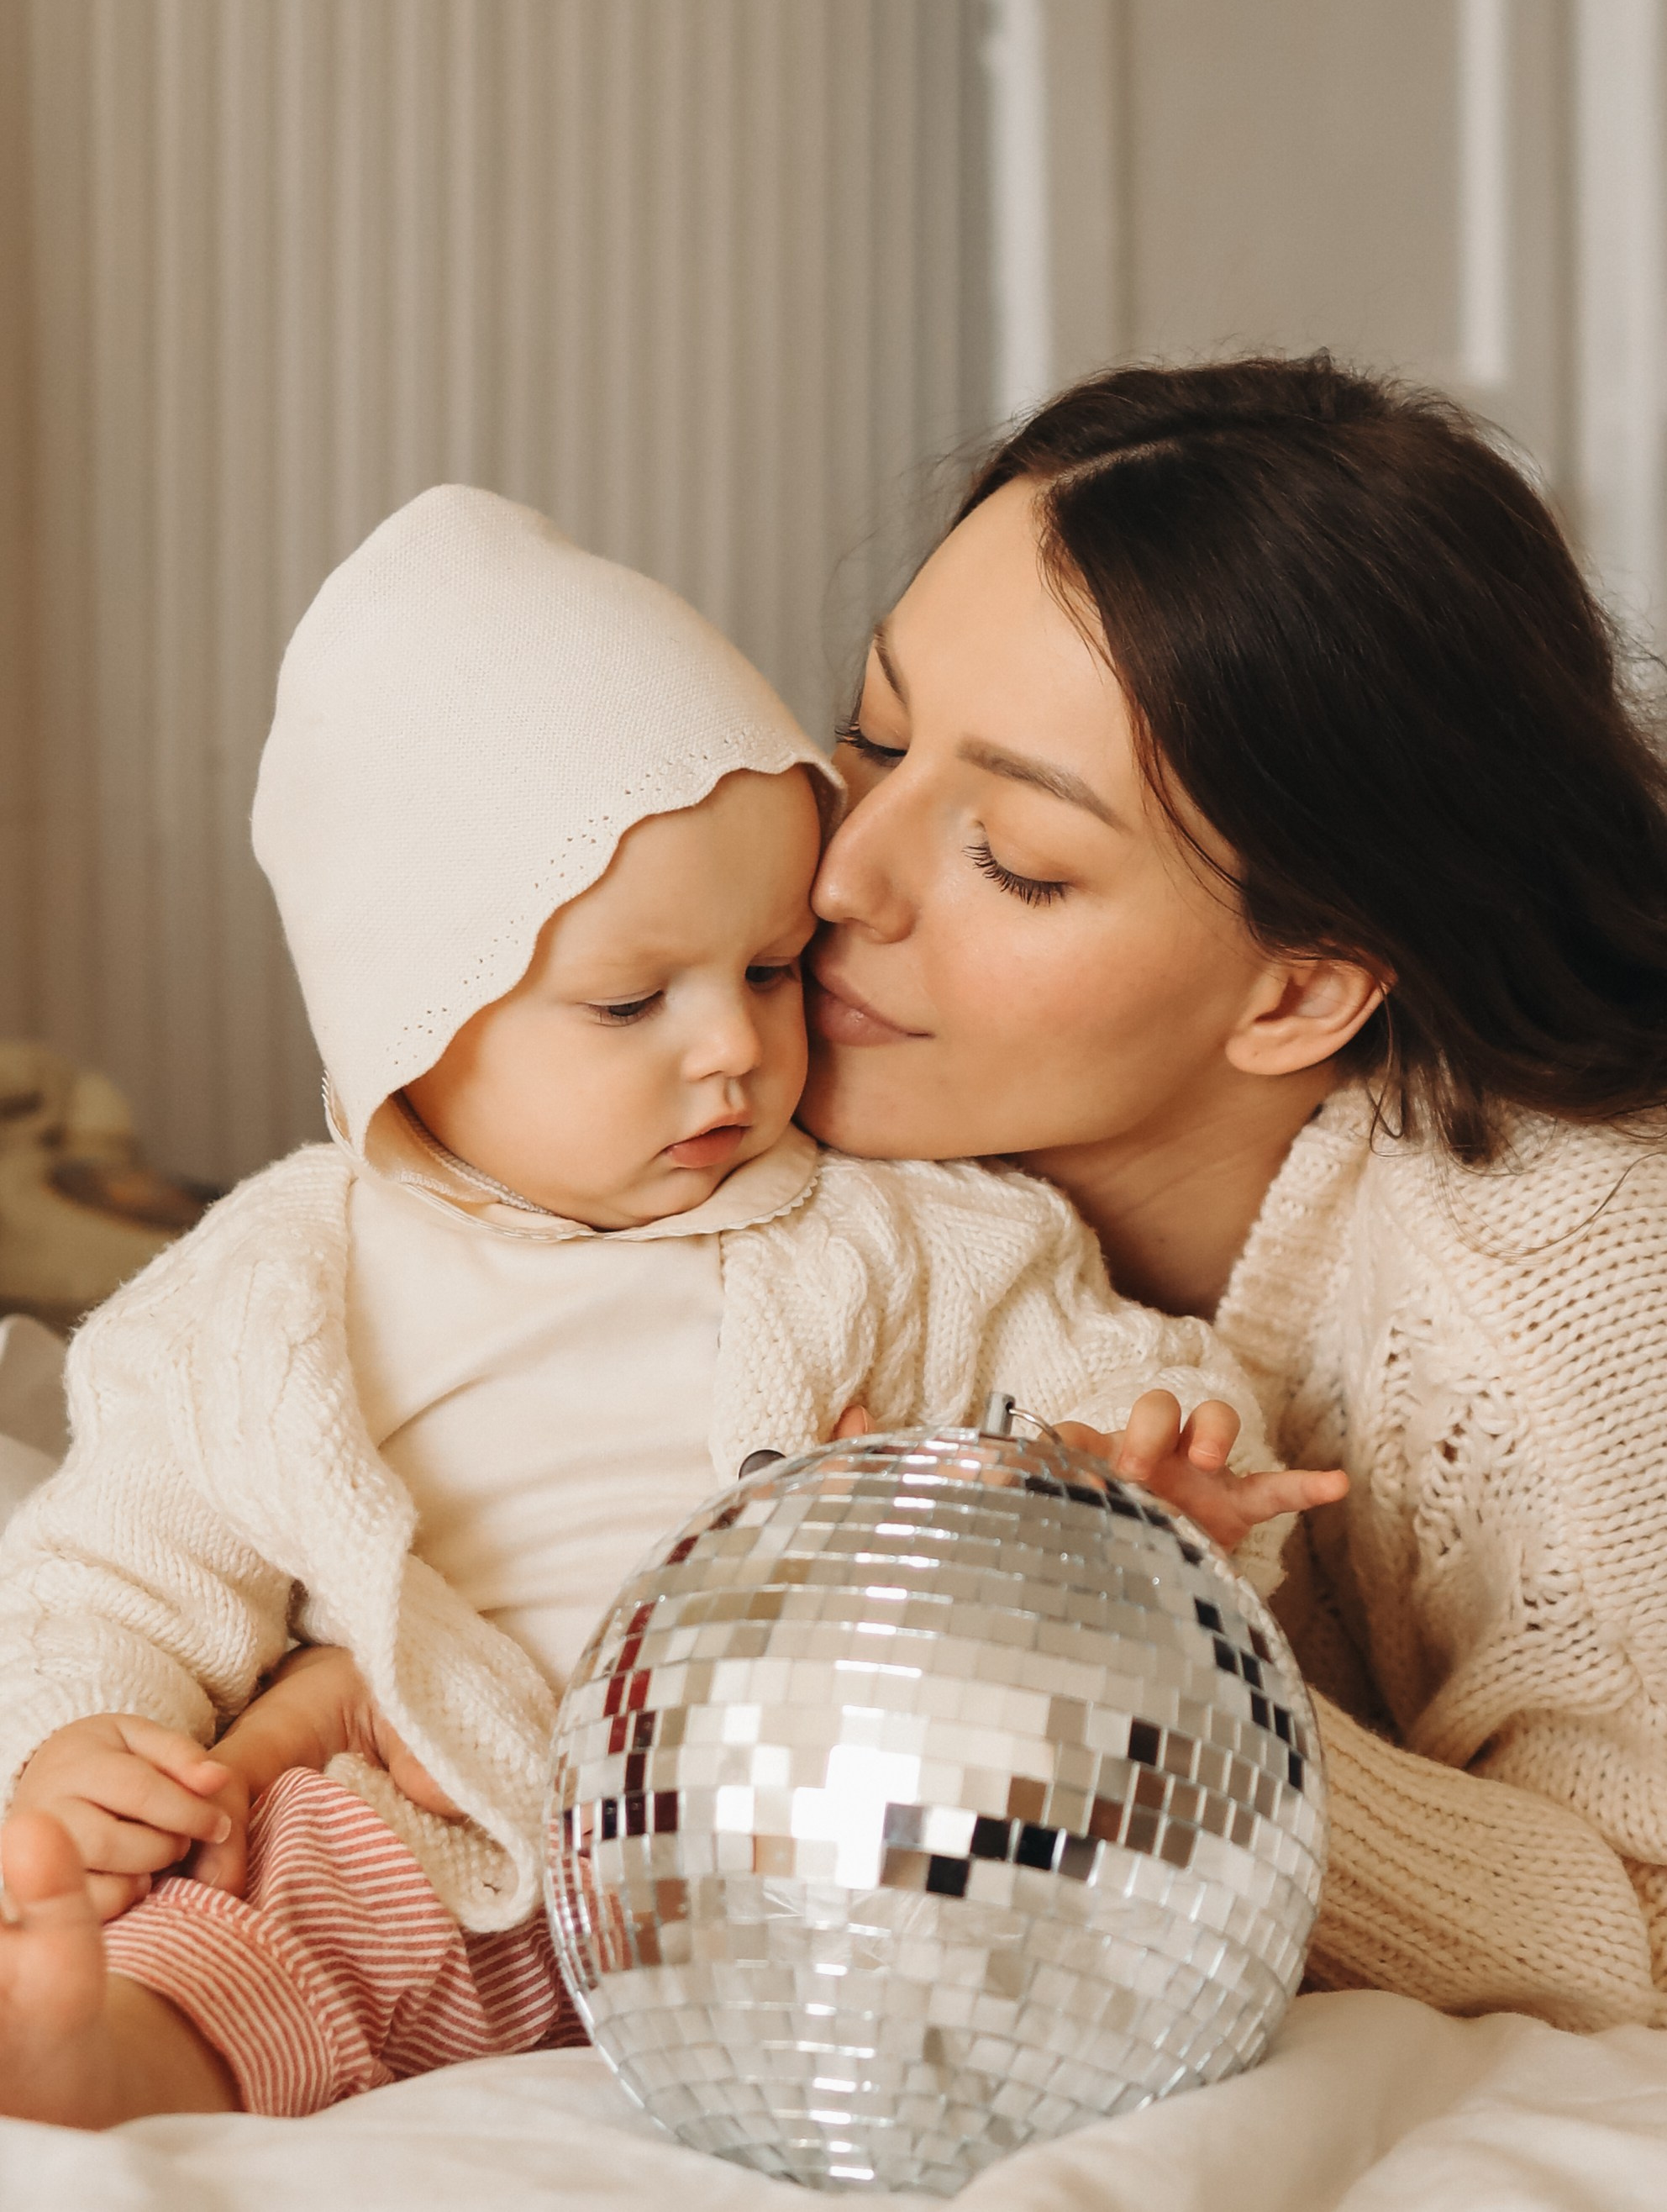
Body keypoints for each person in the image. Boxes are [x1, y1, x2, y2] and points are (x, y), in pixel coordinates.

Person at [0, 485, 1335, 2128]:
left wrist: (1138, 1488)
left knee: (1022, 1846)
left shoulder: (908, 1232)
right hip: (465, 1816)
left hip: (815, 1832)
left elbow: (1115, 1373)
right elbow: (112, 1561)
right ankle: (117, 2052)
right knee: (289, 1885)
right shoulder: (276, 1293)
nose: (731, 1047)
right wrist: (85, 1746)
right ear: (413, 1020)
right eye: (633, 999)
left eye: (770, 969)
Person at [797, 354, 1667, 2034]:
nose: (845, 876)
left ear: (1297, 993)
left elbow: (1653, 1942)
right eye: (874, 733)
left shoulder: (1572, 1294)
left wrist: (1137, 1680)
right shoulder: (797, 1063)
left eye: (1018, 862)